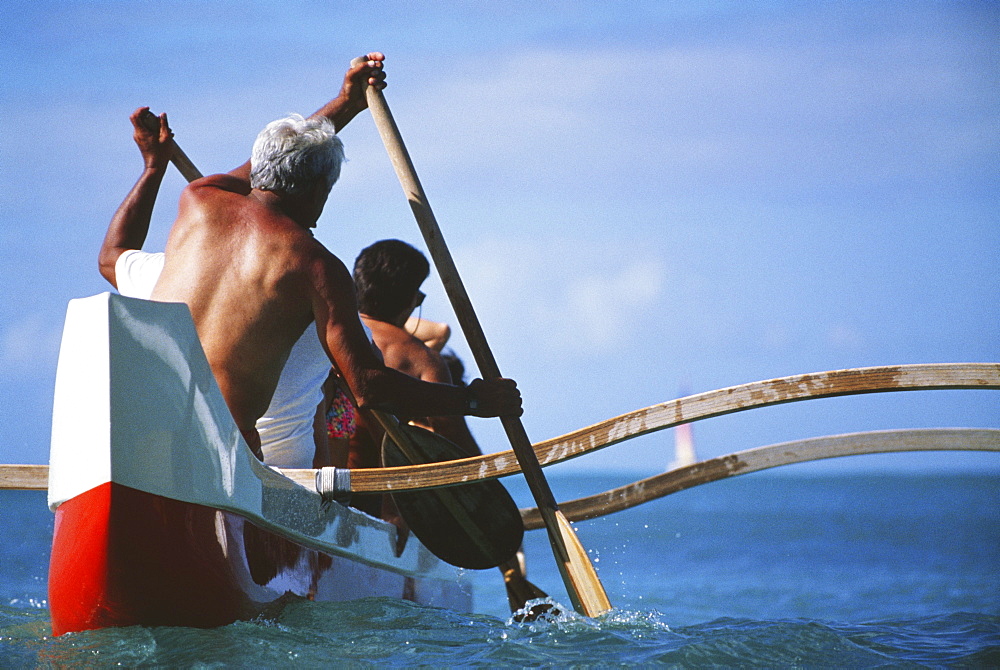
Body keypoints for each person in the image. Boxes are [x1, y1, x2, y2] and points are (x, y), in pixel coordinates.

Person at [102, 53, 522, 464]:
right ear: (320, 189)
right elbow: (368, 386)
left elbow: (112, 256)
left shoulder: (199, 198)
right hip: (223, 461)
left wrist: (154, 167)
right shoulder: (316, 267)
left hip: (140, 440)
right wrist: (472, 399)